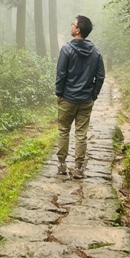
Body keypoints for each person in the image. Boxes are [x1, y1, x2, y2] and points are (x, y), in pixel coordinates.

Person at [55, 15, 105, 179]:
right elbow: (100, 76)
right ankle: (78, 168)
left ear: (78, 30)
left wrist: (59, 94)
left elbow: (61, 74)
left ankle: (62, 165)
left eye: (73, 24)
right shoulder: (96, 52)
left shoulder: (66, 49)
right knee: (81, 134)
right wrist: (93, 95)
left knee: (64, 130)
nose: (71, 26)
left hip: (67, 98)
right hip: (85, 100)